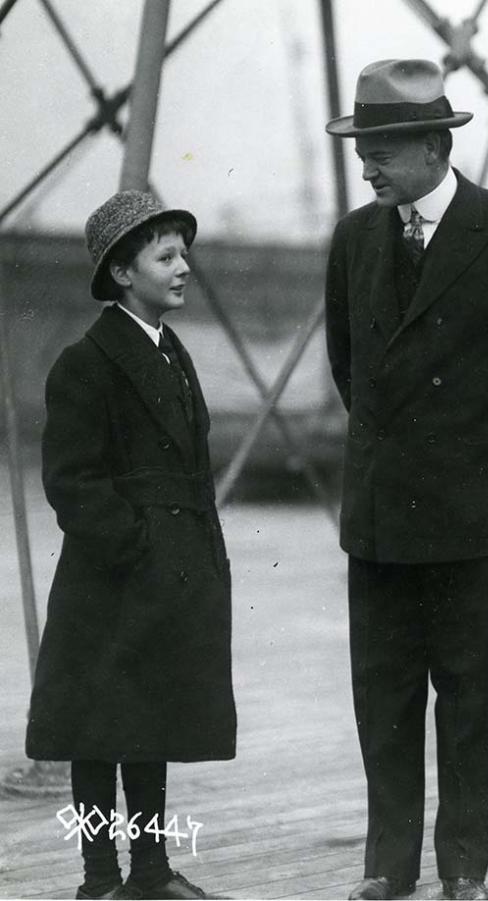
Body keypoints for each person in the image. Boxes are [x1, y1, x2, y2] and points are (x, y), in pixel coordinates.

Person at [323, 59, 488, 901]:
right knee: (382, 692)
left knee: (463, 692)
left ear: (434, 146)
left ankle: (464, 867)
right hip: (381, 510)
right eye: (364, 149)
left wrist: (482, 443)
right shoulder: (358, 237)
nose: (368, 166)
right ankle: (386, 865)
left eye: (382, 149)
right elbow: (348, 362)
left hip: (473, 511)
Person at [25, 190, 236, 900]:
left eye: (184, 253)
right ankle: (97, 877)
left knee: (151, 721)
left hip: (166, 577)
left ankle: (149, 869)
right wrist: (139, 546)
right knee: (97, 732)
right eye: (166, 255)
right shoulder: (86, 364)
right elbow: (72, 483)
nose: (184, 267)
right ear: (122, 272)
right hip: (111, 582)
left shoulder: (172, 354)